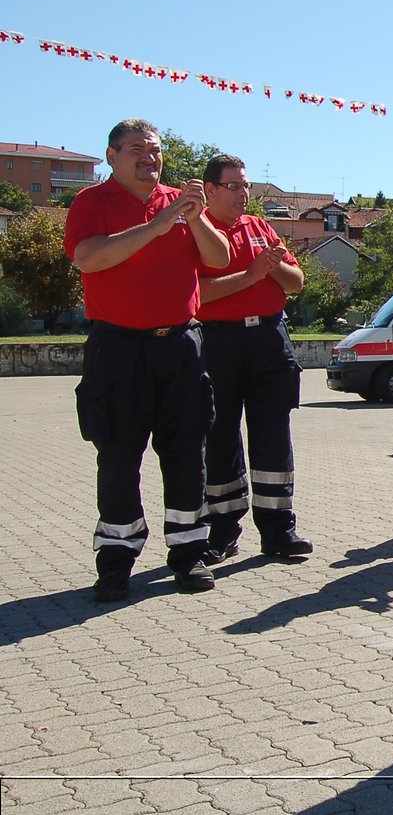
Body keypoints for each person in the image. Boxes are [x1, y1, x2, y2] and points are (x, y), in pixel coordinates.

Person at [65, 119, 231, 601]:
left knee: (186, 454)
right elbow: (89, 258)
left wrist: (196, 217)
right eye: (136, 149)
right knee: (118, 454)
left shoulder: (181, 201)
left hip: (179, 345)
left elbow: (217, 261)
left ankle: (188, 552)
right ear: (111, 156)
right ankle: (116, 559)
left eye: (154, 151)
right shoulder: (90, 203)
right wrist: (157, 226)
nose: (148, 158)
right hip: (118, 349)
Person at [195, 154, 313, 564]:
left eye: (245, 186)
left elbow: (296, 283)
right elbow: (197, 294)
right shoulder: (197, 230)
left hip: (268, 338)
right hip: (219, 341)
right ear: (210, 190)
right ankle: (223, 529)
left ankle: (279, 529)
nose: (243, 193)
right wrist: (250, 276)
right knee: (220, 436)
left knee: (273, 435)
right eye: (233, 186)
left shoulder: (260, 227)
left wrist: (272, 268)